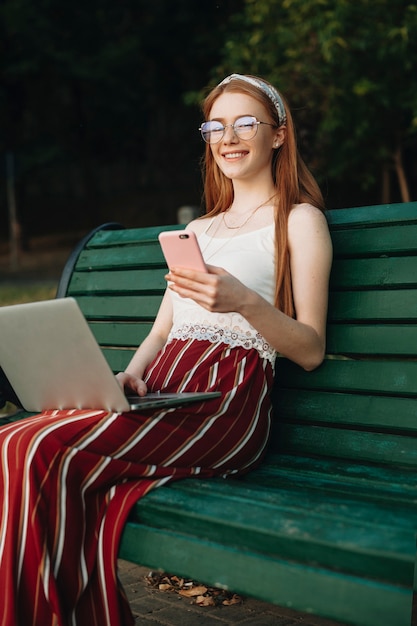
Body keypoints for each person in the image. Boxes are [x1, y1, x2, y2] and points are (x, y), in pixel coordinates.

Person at [0, 74, 332, 626]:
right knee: (12, 438)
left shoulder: (298, 219)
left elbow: (312, 348)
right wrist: (125, 380)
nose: (229, 137)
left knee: (33, 450)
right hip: (163, 389)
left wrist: (245, 302)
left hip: (224, 399)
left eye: (245, 123)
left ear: (278, 135)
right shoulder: (198, 229)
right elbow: (161, 332)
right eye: (215, 126)